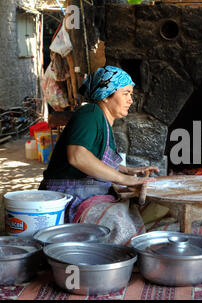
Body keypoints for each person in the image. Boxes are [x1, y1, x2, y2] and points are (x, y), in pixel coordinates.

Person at [39, 65, 159, 224]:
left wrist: (130, 171)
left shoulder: (102, 122)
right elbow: (77, 156)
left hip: (85, 194)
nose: (131, 100)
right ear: (106, 96)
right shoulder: (91, 113)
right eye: (125, 94)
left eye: (130, 94)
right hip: (66, 198)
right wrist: (124, 179)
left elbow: (96, 160)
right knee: (121, 223)